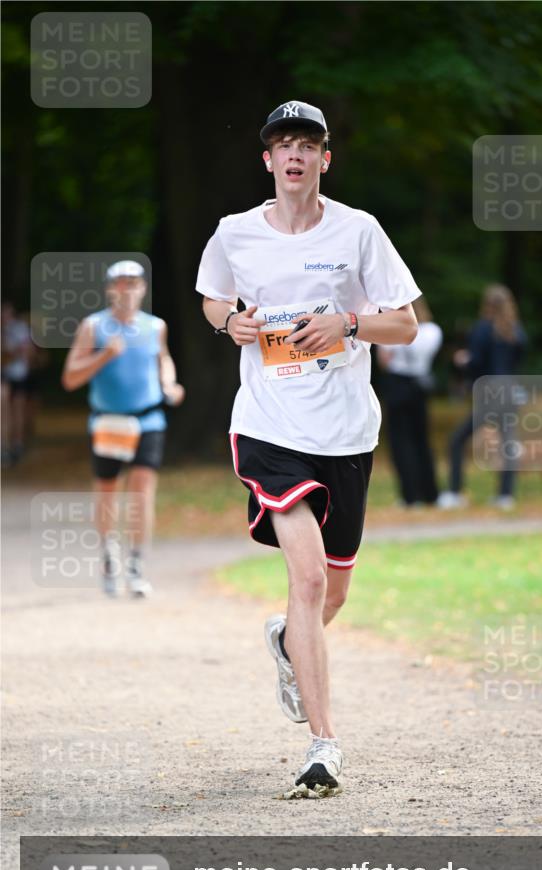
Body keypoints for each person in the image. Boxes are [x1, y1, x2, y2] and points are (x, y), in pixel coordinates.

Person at [196, 100, 420, 790]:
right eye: (282, 144)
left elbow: (405, 325)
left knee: (334, 592)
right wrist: (229, 322)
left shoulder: (360, 231)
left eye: (307, 144)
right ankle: (324, 746)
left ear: (325, 159)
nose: (294, 154)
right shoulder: (235, 233)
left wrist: (347, 324)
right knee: (310, 576)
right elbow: (211, 296)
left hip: (347, 429)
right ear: (266, 160)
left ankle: (288, 640)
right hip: (268, 425)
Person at [62, 261, 185, 597]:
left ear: (143, 289)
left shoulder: (155, 326)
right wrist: (103, 356)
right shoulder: (93, 327)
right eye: (121, 284)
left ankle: (136, 562)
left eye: (134, 284)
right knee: (107, 491)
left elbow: (163, 359)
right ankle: (108, 552)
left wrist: (169, 383)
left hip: (148, 420)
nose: (127, 290)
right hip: (109, 422)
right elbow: (70, 378)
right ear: (109, 289)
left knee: (142, 491)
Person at [438, 284, 526, 512]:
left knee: (457, 440)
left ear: (487, 305)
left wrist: (462, 361)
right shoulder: (515, 330)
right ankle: (506, 495)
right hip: (510, 390)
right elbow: (518, 359)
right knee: (508, 443)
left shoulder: (482, 329)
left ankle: (455, 492)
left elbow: (476, 362)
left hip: (490, 391)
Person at [376, 296, 442, 506]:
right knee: (421, 439)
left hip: (397, 384)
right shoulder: (432, 331)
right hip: (419, 385)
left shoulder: (392, 328)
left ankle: (410, 495)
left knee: (400, 442)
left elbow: (384, 361)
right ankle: (431, 493)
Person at [1, 301, 32, 466]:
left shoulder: (19, 328)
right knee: (4, 413)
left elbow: (25, 351)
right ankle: (5, 447)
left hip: (19, 374)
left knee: (17, 411)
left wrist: (11, 353)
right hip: (4, 375)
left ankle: (17, 443)